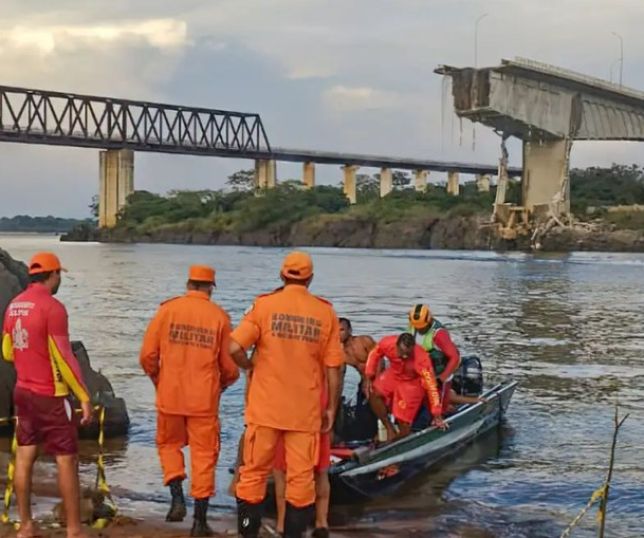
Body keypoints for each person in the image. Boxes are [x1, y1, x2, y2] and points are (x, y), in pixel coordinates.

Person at [229, 251, 344, 538]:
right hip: (304, 413)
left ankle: (248, 534)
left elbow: (233, 348)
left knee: (253, 475)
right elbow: (334, 367)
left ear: (282, 275)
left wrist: (249, 366)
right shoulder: (325, 312)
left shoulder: (264, 305)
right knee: (301, 481)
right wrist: (330, 408)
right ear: (310, 278)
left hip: (265, 409)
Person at [140, 264, 239, 537]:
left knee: (168, 445)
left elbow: (147, 356)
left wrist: (159, 380)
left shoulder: (167, 311)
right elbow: (230, 367)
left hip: (170, 395)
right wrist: (222, 385)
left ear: (188, 284)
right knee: (204, 456)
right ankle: (199, 522)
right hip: (203, 401)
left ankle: (176, 498)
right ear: (210, 288)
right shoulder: (219, 317)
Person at [1, 252, 92, 538]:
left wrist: (29, 357)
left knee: (25, 456)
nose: (59, 279)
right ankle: (74, 529)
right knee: (66, 459)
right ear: (53, 275)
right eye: (59, 274)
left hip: (23, 392)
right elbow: (64, 356)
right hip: (51, 394)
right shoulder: (53, 308)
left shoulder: (15, 305)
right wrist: (84, 396)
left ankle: (26, 525)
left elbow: (7, 351)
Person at [364, 333, 447, 442]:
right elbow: (374, 354)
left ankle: (399, 439)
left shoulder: (421, 359)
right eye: (401, 352)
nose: (404, 356)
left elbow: (431, 386)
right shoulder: (387, 343)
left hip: (412, 382)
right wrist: (369, 375)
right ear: (396, 345)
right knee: (374, 392)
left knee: (403, 420)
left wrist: (436, 414)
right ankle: (389, 428)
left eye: (407, 354)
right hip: (394, 374)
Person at [407, 304, 461, 411]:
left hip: (440, 373)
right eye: (417, 327)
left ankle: (449, 403)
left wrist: (441, 379)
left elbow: (454, 358)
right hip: (422, 372)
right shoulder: (413, 326)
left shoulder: (439, 334)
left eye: (422, 327)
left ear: (429, 320)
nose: (419, 330)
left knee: (440, 407)